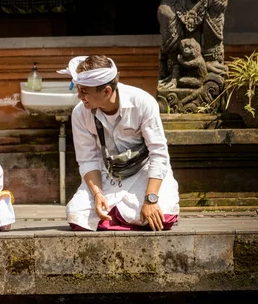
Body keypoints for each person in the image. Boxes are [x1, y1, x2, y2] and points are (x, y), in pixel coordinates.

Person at [57, 55, 180, 231]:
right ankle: (118, 216)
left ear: (106, 91)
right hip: (107, 174)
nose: (79, 96)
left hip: (144, 170)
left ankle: (119, 217)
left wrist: (150, 198)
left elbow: (159, 153)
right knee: (77, 216)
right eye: (78, 89)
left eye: (84, 91)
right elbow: (87, 160)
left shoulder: (143, 103)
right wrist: (97, 194)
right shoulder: (80, 113)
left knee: (163, 215)